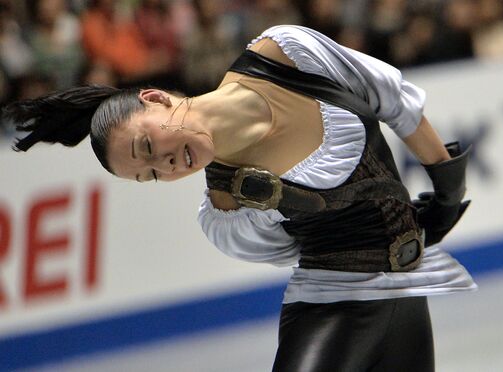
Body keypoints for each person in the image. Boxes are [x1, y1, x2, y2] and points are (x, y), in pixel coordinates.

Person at [3, 25, 476, 372]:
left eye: (149, 147)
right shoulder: (227, 208)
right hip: (336, 304)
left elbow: (391, 98)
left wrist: (448, 191)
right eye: (150, 175)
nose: (166, 166)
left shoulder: (284, 53)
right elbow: (294, 248)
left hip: (410, 288)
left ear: (156, 98)